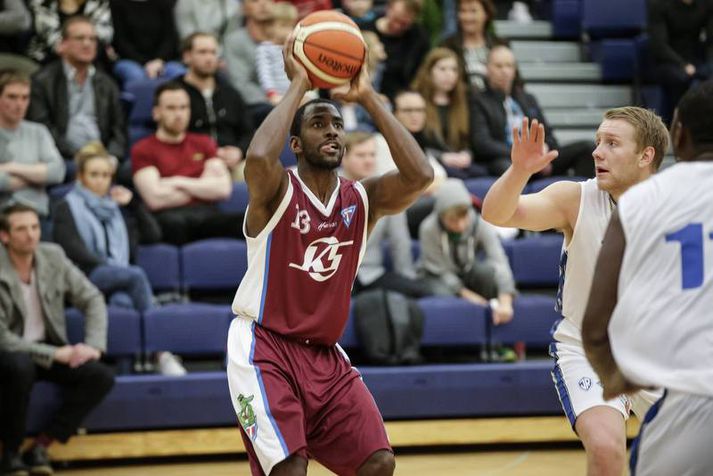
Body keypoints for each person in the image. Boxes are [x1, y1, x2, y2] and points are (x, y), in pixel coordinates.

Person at [227, 31, 432, 475]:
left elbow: (419, 175)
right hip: (264, 347)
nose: (332, 131)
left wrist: (369, 97)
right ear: (296, 144)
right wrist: (299, 84)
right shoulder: (276, 190)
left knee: (378, 462)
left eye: (337, 125)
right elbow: (259, 157)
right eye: (319, 125)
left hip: (323, 354)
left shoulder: (362, 199)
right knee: (290, 469)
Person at [481, 107, 669, 476]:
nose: (597, 151)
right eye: (599, 141)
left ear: (646, 156)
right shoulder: (576, 198)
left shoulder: (680, 208)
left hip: (658, 350)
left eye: (612, 143)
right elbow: (498, 214)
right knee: (604, 447)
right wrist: (520, 171)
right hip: (589, 347)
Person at [582, 81, 713, 476]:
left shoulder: (643, 200)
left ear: (679, 135)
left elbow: (595, 325)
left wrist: (614, 377)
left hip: (690, 400)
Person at [0, 203, 115, 476]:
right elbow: (2, 337)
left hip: (50, 349)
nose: (31, 235)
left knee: (100, 376)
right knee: (20, 367)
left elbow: (92, 298)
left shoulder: (53, 256)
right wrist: (53, 354)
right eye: (21, 229)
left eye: (35, 227)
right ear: (4, 236)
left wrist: (94, 346)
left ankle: (42, 445)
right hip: (10, 354)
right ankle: (11, 454)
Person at [131, 81, 242, 246]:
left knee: (247, 221)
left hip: (207, 216)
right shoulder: (143, 149)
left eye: (183, 107)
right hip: (171, 218)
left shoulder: (204, 143)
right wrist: (203, 186)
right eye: (171, 108)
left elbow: (223, 189)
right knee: (173, 225)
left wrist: (175, 182)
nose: (179, 114)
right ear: (156, 113)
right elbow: (154, 199)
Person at [472, 44, 594, 177]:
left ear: (514, 69)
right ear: (488, 69)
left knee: (587, 148)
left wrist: (544, 151)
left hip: (538, 157)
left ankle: (580, 196)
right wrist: (523, 155)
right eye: (499, 66)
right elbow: (482, 144)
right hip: (508, 158)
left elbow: (549, 135)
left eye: (509, 66)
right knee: (504, 167)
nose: (504, 71)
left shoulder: (527, 98)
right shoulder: (479, 100)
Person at [27, 15, 127, 165]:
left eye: (92, 39)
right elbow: (43, 128)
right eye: (80, 38)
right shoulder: (42, 81)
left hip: (101, 156)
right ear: (62, 44)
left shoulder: (107, 83)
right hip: (62, 156)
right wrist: (78, 156)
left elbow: (119, 130)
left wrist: (112, 158)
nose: (87, 44)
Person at [342, 131, 430, 298]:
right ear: (343, 157)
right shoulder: (326, 188)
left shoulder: (386, 191)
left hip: (371, 273)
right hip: (334, 275)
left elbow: (400, 240)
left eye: (372, 155)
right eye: (361, 155)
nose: (368, 160)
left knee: (419, 291)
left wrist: (406, 278)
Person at [419, 178, 515, 324]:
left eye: (464, 217)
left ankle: (494, 324)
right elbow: (441, 271)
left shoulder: (479, 223)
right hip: (437, 275)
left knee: (488, 274)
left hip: (466, 270)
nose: (460, 225)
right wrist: (468, 295)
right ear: (441, 216)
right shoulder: (428, 229)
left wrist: (505, 299)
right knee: (442, 293)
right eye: (453, 220)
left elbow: (499, 260)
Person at [177, 32, 254, 181]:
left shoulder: (230, 93)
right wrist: (210, 153)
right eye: (202, 52)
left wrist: (239, 151)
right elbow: (171, 135)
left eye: (213, 52)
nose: (209, 58)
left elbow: (249, 132)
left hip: (232, 161)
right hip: (193, 161)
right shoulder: (175, 92)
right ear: (187, 56)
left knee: (257, 171)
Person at [411, 47, 486, 179]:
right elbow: (415, 144)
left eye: (454, 70)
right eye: (442, 69)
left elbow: (472, 138)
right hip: (432, 163)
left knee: (484, 174)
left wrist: (467, 154)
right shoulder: (416, 101)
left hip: (462, 162)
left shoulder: (465, 100)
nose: (449, 74)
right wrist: (443, 157)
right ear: (429, 72)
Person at [0, 70, 65, 219]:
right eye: (12, 97)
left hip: (37, 215)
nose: (19, 104)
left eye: (25, 98)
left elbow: (57, 171)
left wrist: (10, 167)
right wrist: (36, 174)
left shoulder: (38, 132)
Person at [648, 0, 713, 122]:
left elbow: (711, 41)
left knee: (708, 74)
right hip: (668, 60)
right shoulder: (659, 5)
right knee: (680, 78)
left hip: (696, 58)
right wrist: (682, 64)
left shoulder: (706, 4)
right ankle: (676, 123)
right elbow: (659, 45)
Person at [362, 0, 430, 100]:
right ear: (388, 8)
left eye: (404, 24)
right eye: (395, 19)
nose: (397, 26)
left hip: (400, 98)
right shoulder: (366, 30)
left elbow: (419, 76)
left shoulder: (418, 38)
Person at [109, 0, 186, 87]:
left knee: (179, 73)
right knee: (136, 76)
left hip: (163, 60)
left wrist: (159, 60)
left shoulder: (165, 3)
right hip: (130, 60)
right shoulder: (118, 3)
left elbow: (170, 38)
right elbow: (121, 41)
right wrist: (145, 63)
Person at [223, 0, 276, 125]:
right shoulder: (234, 41)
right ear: (243, 8)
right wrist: (273, 99)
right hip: (259, 105)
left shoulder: (289, 35)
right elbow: (241, 83)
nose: (263, 3)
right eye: (255, 1)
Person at [25, 0, 113, 65]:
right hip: (46, 57)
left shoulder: (99, 2)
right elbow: (51, 37)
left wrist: (84, 46)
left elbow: (104, 34)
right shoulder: (42, 2)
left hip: (93, 58)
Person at [441, 0, 499, 92]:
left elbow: (515, 81)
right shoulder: (447, 46)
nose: (467, 17)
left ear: (486, 14)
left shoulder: (498, 45)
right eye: (463, 11)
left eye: (473, 11)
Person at [255, 2, 298, 106]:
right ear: (270, 27)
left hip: (295, 93)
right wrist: (271, 93)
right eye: (283, 25)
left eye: (291, 26)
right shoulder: (264, 49)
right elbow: (264, 73)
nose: (289, 31)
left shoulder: (294, 47)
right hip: (276, 95)